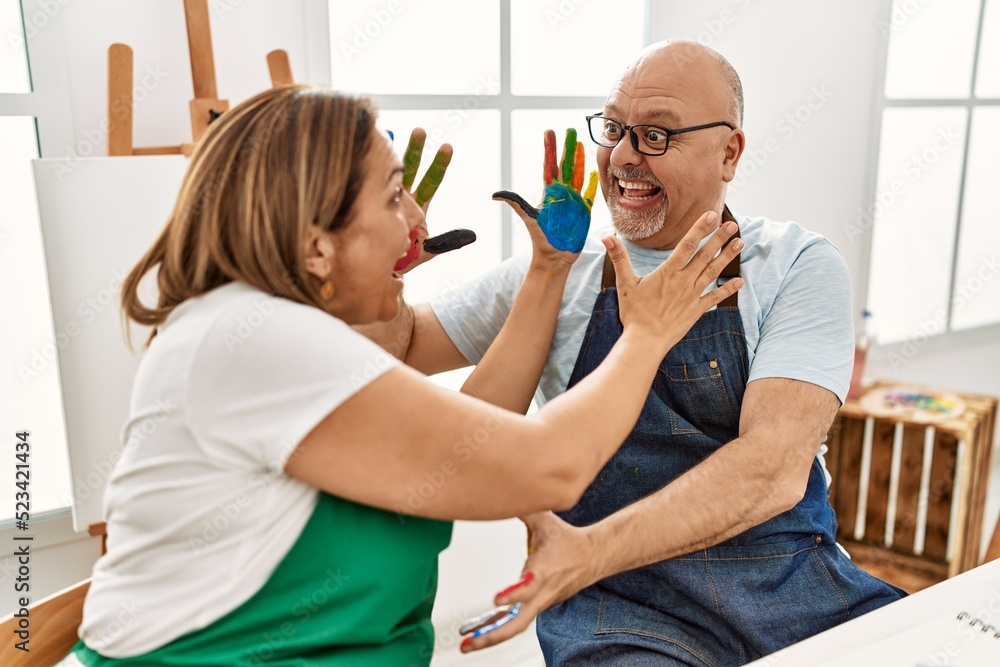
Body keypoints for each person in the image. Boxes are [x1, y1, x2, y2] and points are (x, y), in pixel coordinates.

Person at [57, 84, 742, 666]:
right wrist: (648, 331)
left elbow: (470, 445)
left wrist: (547, 271)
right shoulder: (259, 343)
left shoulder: (273, 333)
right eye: (393, 200)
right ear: (315, 247)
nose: (415, 227)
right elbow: (550, 465)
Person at [369, 41, 905, 664]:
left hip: (785, 584)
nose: (623, 157)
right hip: (616, 608)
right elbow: (398, 348)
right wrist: (384, 262)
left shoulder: (795, 265)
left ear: (729, 151)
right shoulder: (554, 268)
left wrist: (588, 550)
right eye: (616, 129)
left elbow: (772, 469)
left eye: (656, 135)